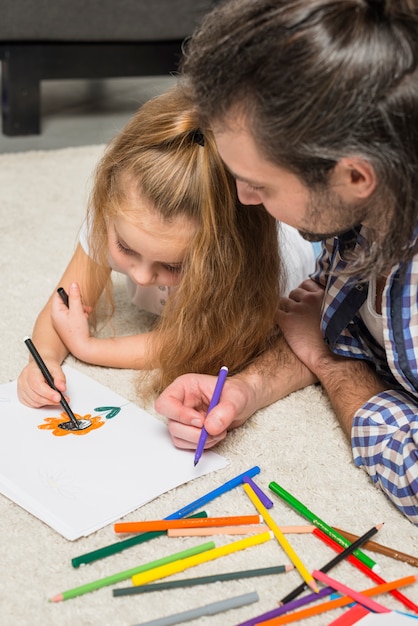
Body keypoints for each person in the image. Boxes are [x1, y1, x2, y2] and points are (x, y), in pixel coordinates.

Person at [154, 0, 418, 524]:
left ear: (355, 177)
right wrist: (246, 390)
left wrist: (331, 365)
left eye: (261, 183)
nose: (245, 198)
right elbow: (328, 319)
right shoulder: (360, 207)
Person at [18, 85, 316, 412]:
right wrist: (44, 360)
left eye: (173, 266)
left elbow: (189, 344)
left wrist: (88, 348)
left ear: (224, 255)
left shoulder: (247, 267)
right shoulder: (120, 219)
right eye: (126, 249)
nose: (143, 276)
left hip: (307, 252)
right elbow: (62, 304)